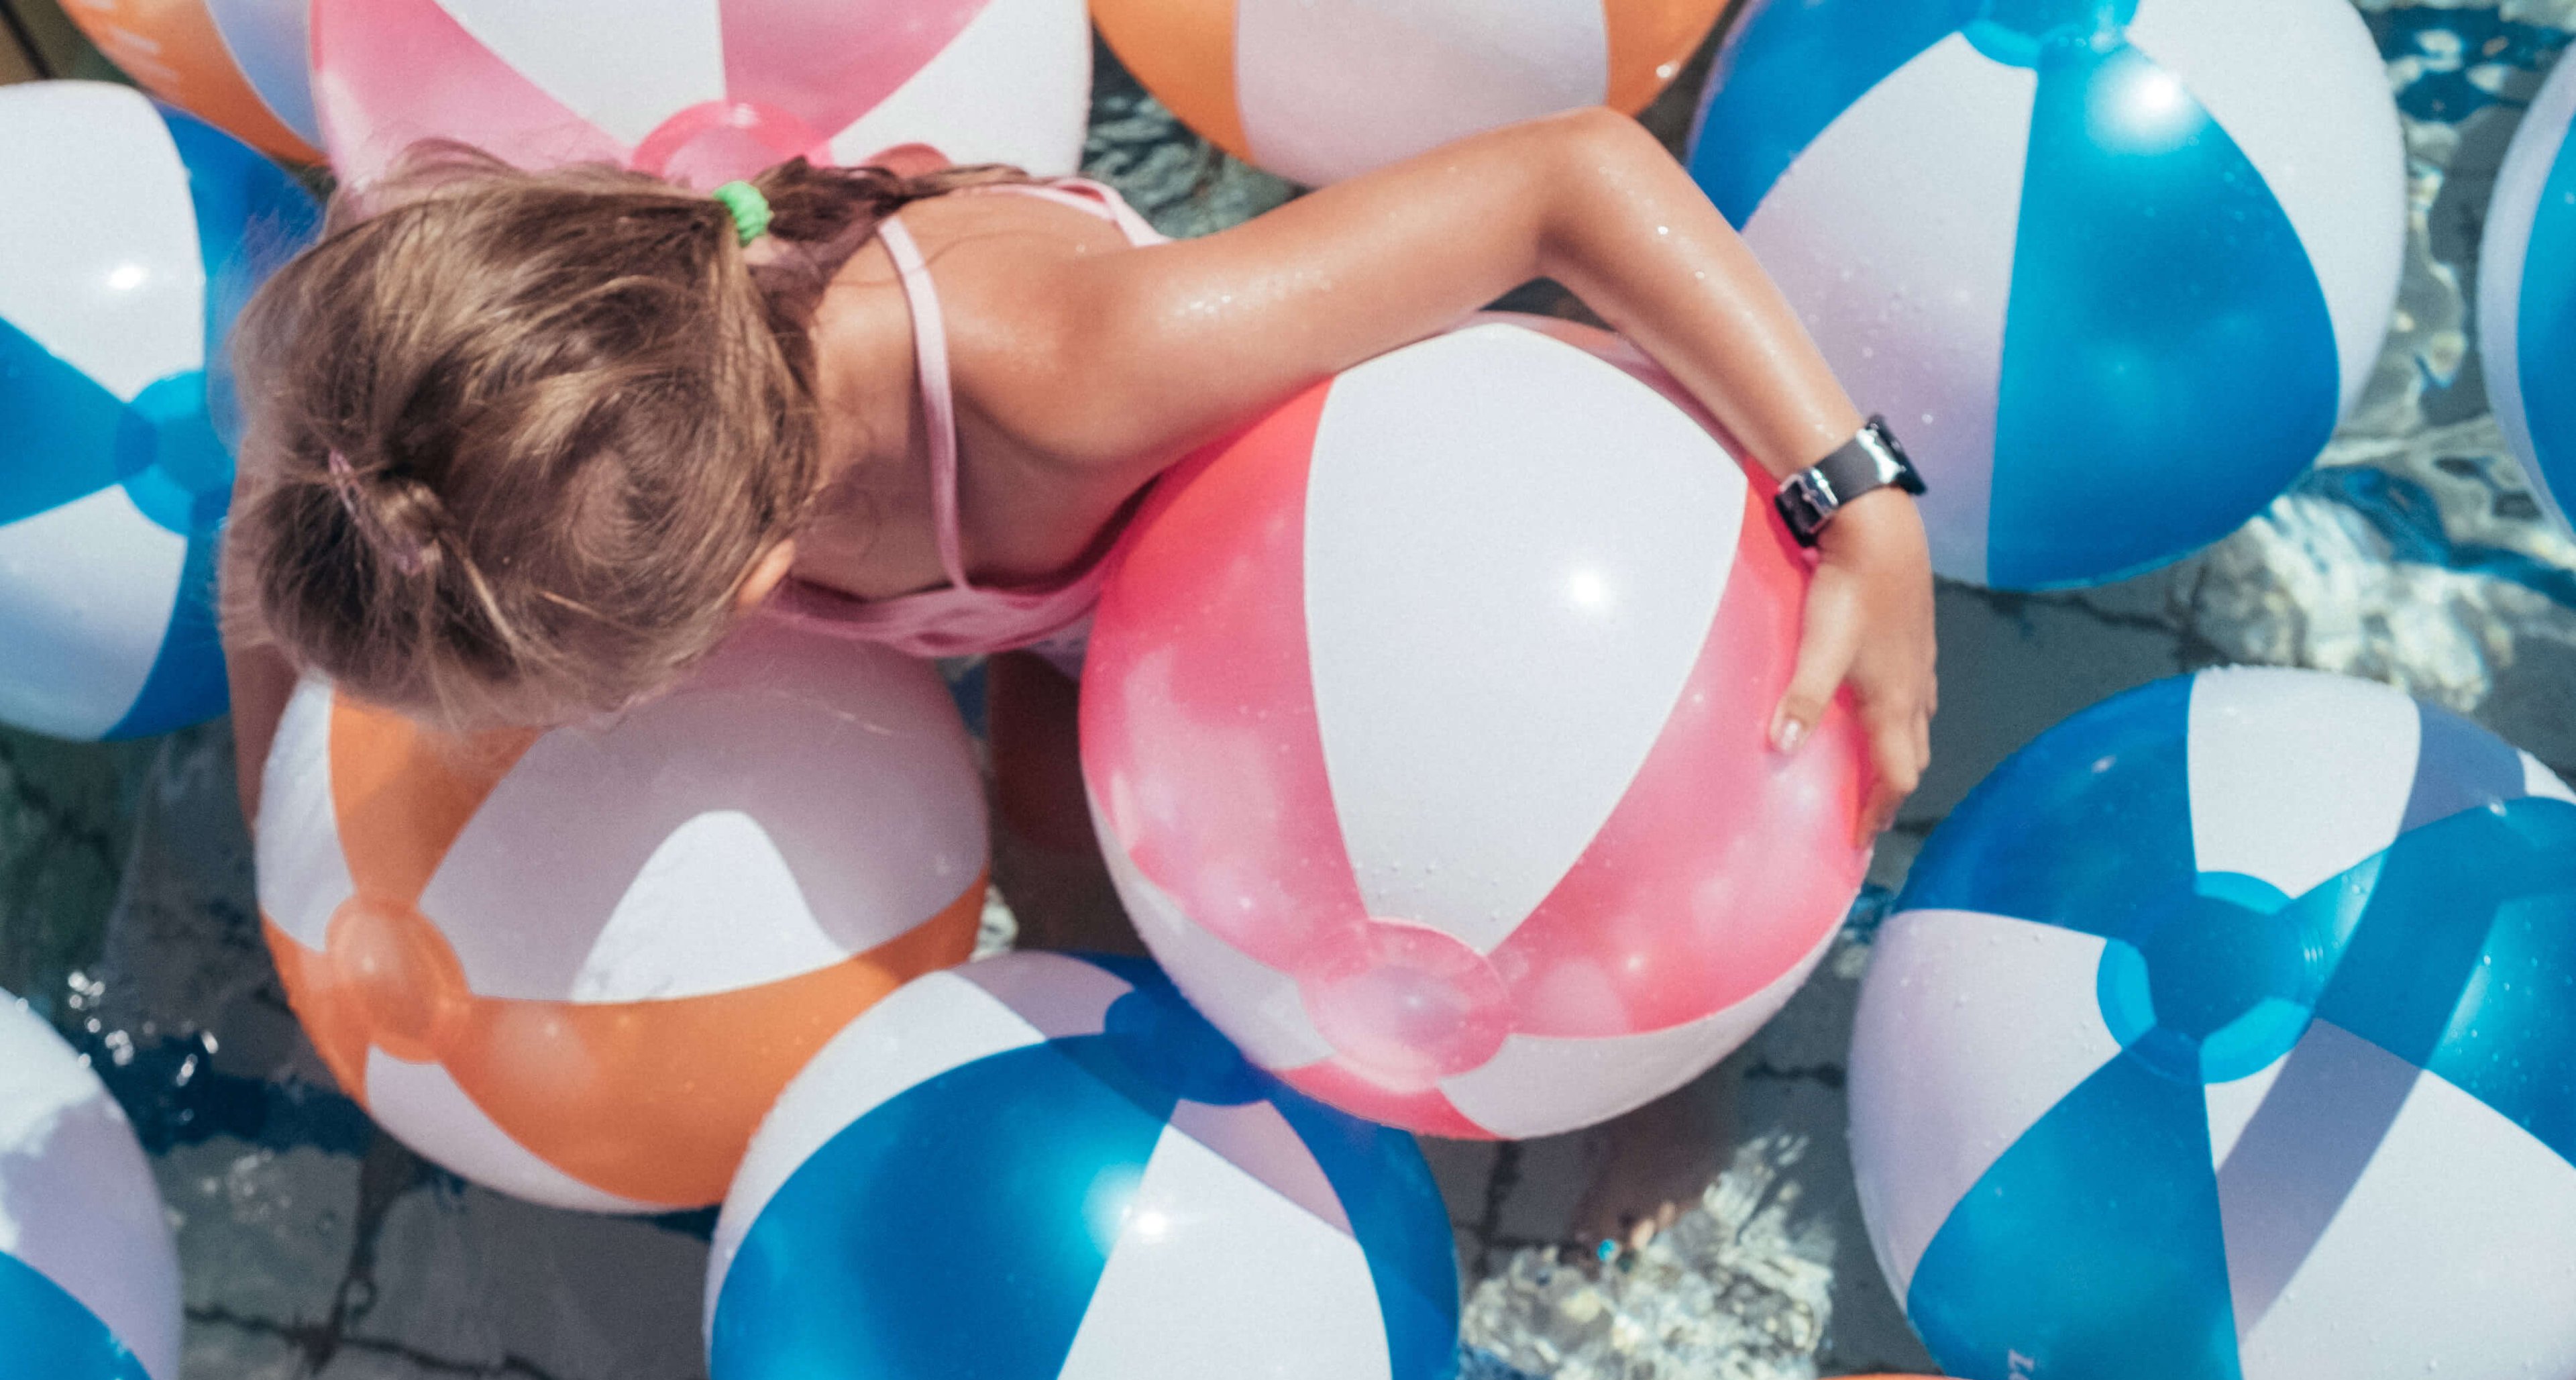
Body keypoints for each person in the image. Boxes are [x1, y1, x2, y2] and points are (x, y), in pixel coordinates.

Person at [219, 111, 1935, 858]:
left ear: (746, 598)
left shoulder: (1073, 375)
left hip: (1323, 560)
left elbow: (1567, 180)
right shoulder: (414, 421)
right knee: (1062, 874)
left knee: (1524, 855)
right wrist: (268, 799)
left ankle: (1645, 1088)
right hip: (1062, 622)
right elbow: (271, 543)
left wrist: (1858, 498)